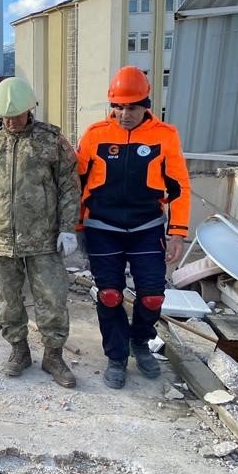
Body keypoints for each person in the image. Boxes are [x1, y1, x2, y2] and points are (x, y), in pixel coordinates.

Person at [0, 77, 81, 389]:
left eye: (16, 116)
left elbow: (70, 185)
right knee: (7, 300)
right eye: (5, 117)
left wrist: (69, 228)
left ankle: (53, 356)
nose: (11, 122)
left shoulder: (51, 141)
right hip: (0, 239)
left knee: (53, 299)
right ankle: (19, 351)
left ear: (31, 109)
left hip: (43, 238)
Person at [77, 66, 191, 389]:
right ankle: (116, 355)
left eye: (132, 107)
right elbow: (76, 183)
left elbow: (179, 187)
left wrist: (178, 232)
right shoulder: (95, 135)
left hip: (146, 226)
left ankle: (140, 341)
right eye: (119, 107)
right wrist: (75, 227)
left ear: (146, 104)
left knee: (153, 295)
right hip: (102, 226)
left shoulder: (165, 136)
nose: (125, 114)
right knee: (110, 294)